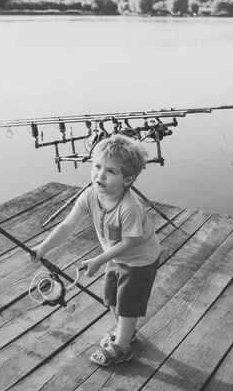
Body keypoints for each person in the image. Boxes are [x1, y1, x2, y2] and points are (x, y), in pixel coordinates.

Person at [29, 134, 161, 366]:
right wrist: (43, 247)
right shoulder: (91, 194)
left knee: (127, 304)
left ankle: (122, 346)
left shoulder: (129, 207)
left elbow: (130, 242)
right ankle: (125, 332)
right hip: (115, 256)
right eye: (98, 166)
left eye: (111, 171)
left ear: (127, 179)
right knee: (111, 298)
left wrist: (99, 260)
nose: (100, 175)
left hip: (140, 260)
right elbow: (68, 225)